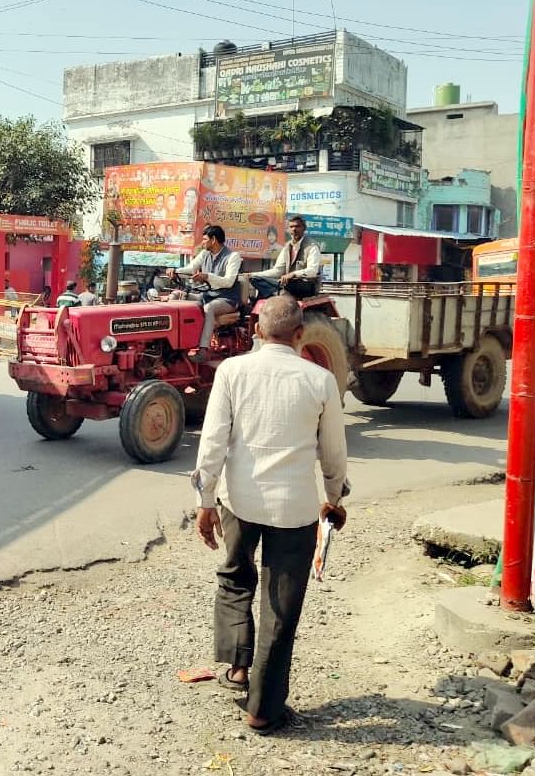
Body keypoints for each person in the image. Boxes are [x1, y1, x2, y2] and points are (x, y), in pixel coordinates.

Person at [190, 295, 349, 736]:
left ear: (257, 331)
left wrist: (205, 501)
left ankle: (239, 667)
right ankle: (263, 709)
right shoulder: (320, 381)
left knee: (235, 578)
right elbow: (333, 452)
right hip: (294, 510)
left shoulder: (232, 371)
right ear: (301, 335)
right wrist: (334, 497)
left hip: (238, 501)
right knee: (281, 608)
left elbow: (213, 442)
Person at [173, 225, 243, 358]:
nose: (202, 242)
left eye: (205, 239)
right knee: (177, 295)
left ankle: (203, 350)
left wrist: (207, 276)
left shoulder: (233, 256)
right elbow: (191, 268)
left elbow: (228, 282)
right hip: (207, 295)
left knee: (209, 308)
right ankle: (178, 346)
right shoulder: (205, 253)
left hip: (227, 299)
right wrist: (175, 271)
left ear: (214, 240)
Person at [252, 216, 322, 300]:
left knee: (275, 286)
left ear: (304, 228)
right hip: (288, 284)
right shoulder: (287, 247)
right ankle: (280, 295)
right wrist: (253, 274)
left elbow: (312, 271)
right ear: (288, 230)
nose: (294, 229)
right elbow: (278, 271)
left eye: (297, 226)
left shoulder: (312, 246)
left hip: (306, 286)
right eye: (291, 227)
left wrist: (293, 274)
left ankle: (282, 295)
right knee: (255, 279)